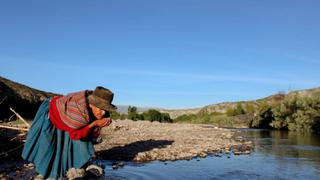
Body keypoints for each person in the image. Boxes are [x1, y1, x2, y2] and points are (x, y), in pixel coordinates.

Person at [22, 86, 117, 179]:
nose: (103, 113)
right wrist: (94, 124)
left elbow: (90, 133)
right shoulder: (78, 112)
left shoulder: (95, 111)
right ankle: (45, 172)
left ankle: (70, 166)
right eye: (100, 109)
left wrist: (97, 126)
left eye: (105, 109)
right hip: (52, 113)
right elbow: (75, 135)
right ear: (91, 104)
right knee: (49, 145)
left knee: (68, 142)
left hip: (66, 116)